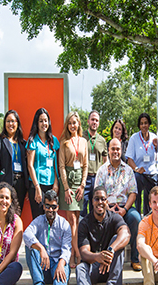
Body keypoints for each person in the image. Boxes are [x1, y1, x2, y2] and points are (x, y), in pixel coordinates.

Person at [74, 186, 130, 285]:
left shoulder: (114, 217)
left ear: (107, 201)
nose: (100, 202)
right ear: (92, 201)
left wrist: (110, 250)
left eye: (103, 199)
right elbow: (84, 253)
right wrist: (98, 257)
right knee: (80, 267)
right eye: (97, 199)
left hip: (111, 267)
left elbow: (126, 234)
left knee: (119, 240)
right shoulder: (84, 223)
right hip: (94, 267)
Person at [95, 138, 142, 271]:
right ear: (109, 151)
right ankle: (103, 259)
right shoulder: (102, 170)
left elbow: (133, 192)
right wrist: (108, 208)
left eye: (118, 149)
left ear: (122, 151)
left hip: (124, 207)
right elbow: (98, 193)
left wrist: (125, 209)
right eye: (113, 149)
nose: (115, 151)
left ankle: (134, 259)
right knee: (99, 218)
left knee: (136, 218)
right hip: (106, 207)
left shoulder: (128, 170)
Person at [24, 190, 71, 285]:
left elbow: (67, 249)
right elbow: (26, 234)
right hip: (42, 267)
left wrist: (61, 263)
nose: (50, 210)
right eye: (48, 206)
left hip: (56, 266)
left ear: (58, 207)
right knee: (31, 248)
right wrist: (41, 248)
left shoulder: (65, 225)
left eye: (54, 206)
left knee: (65, 266)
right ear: (44, 206)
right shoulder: (38, 221)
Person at [59, 112, 88, 268]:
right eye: (69, 123)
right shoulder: (63, 142)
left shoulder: (83, 141)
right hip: (68, 183)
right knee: (72, 222)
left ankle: (75, 251)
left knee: (77, 218)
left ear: (78, 124)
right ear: (67, 125)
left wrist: (83, 185)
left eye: (74, 123)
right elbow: (61, 166)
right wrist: (66, 188)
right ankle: (74, 253)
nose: (72, 125)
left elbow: (85, 166)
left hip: (79, 183)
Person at [0, 110, 29, 210]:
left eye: (13, 121)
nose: (10, 124)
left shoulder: (23, 143)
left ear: (17, 123)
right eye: (8, 121)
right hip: (6, 181)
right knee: (5, 211)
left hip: (20, 182)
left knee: (17, 211)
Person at [126, 113, 158, 216]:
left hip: (151, 174)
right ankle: (137, 215)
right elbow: (130, 158)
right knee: (137, 178)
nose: (144, 126)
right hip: (139, 174)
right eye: (141, 123)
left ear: (149, 124)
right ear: (139, 126)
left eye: (146, 123)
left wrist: (157, 148)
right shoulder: (134, 138)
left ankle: (148, 217)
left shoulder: (154, 138)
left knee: (150, 195)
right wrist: (137, 169)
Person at [27, 108, 60, 219]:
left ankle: (49, 237)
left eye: (46, 120)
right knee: (38, 218)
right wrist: (37, 188)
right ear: (37, 123)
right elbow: (30, 165)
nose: (44, 124)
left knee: (50, 217)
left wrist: (56, 183)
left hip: (50, 184)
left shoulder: (54, 140)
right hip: (37, 185)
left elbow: (55, 164)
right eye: (41, 121)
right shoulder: (33, 141)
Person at [82, 110, 108, 218]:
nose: (94, 122)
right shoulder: (81, 137)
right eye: (92, 119)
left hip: (98, 179)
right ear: (88, 121)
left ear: (99, 123)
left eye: (96, 120)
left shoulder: (102, 140)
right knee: (82, 207)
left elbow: (105, 161)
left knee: (97, 208)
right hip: (85, 178)